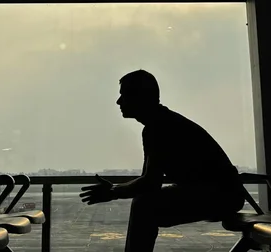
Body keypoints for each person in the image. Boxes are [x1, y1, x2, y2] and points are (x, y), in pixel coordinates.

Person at [79, 69, 246, 252]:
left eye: (124, 95)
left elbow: (149, 183)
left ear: (140, 97)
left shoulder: (158, 128)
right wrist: (115, 190)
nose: (118, 102)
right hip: (223, 193)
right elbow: (148, 181)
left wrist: (113, 192)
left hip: (221, 195)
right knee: (144, 203)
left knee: (144, 206)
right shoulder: (160, 123)